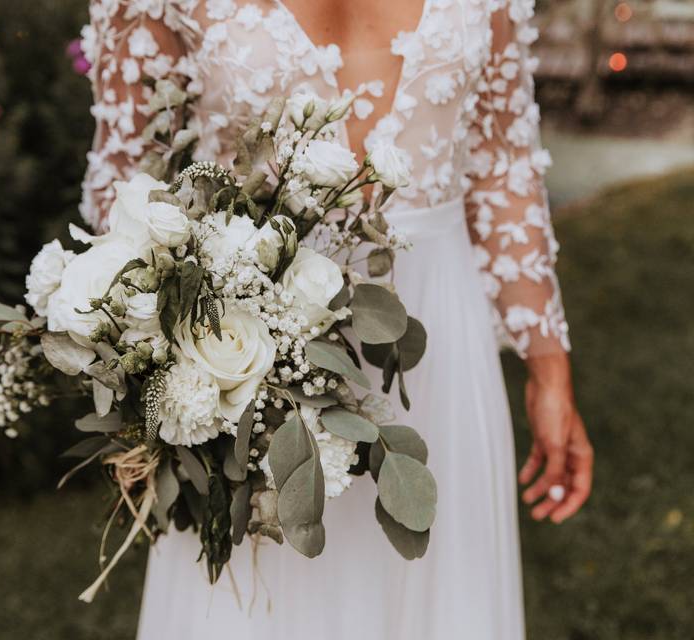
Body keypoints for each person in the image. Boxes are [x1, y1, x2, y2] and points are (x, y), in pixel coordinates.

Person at [80, 1, 594, 638]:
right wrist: (158, 370)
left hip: (441, 354)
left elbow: (502, 165)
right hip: (247, 364)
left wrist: (548, 366)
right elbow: (127, 188)